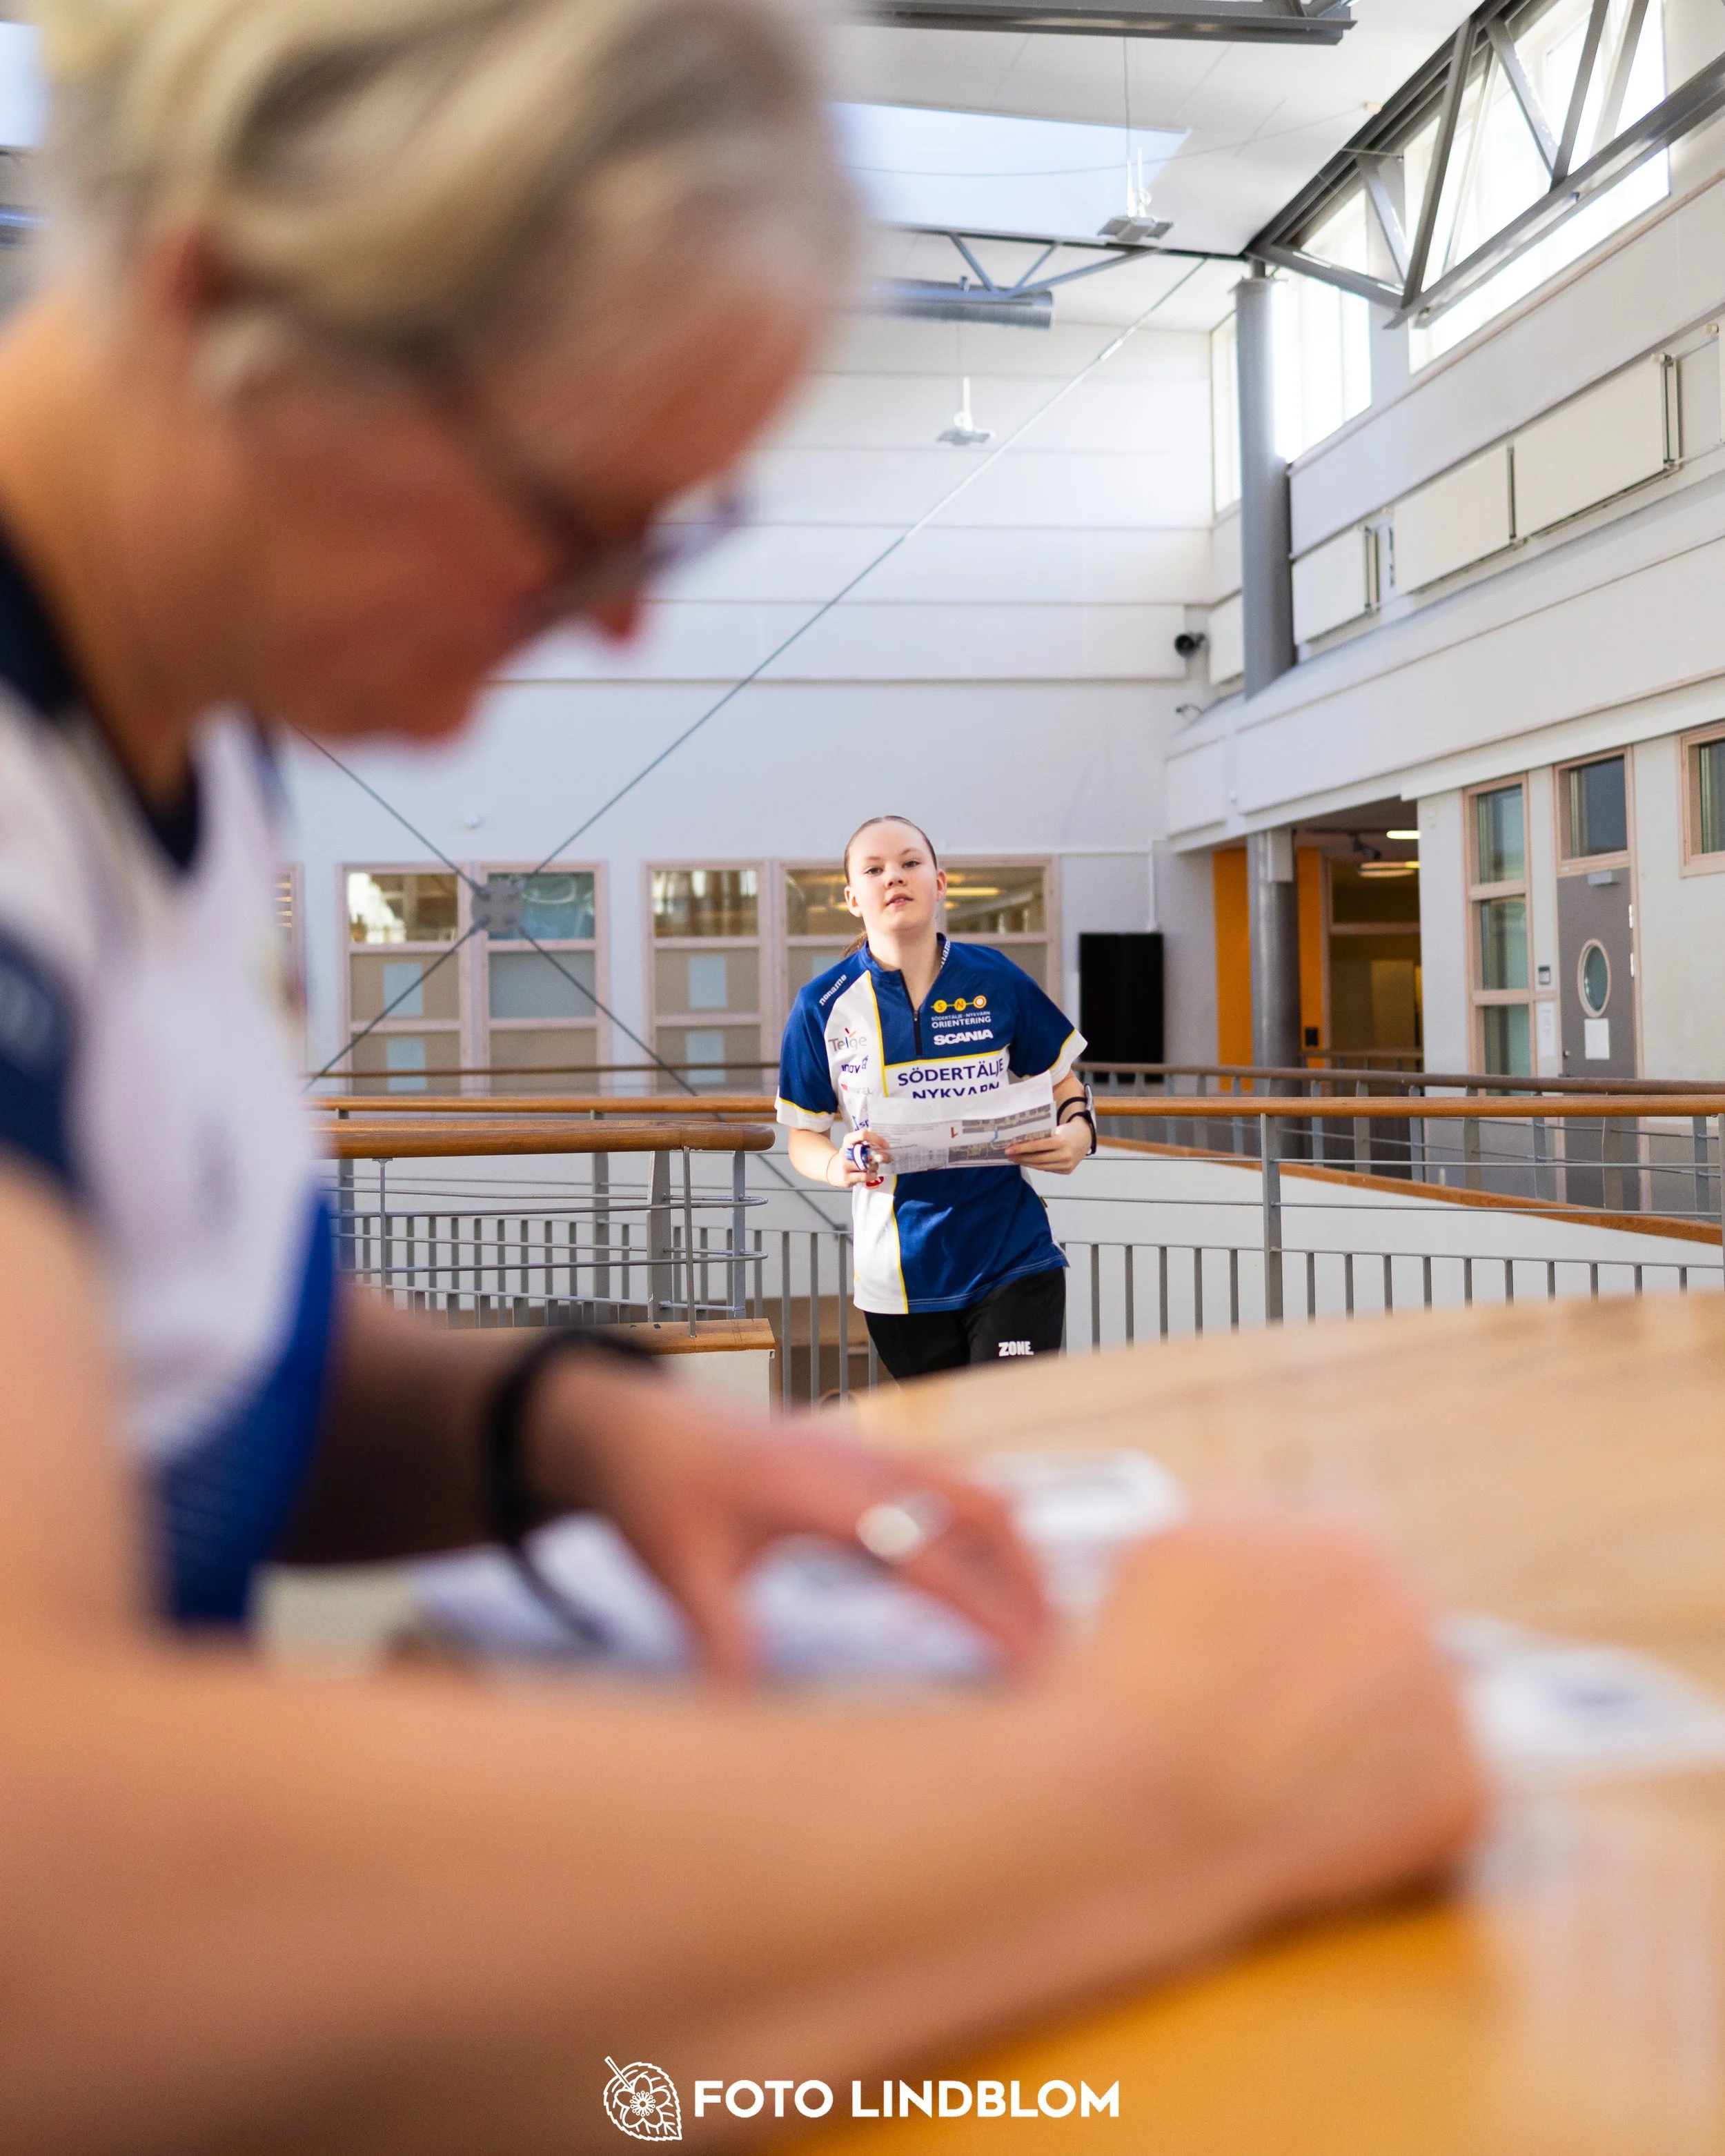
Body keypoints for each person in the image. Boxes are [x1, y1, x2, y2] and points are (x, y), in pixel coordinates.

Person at [0, 0, 1480, 2145]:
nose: (609, 628)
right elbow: (51, 1916)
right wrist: (1150, 1793)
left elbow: (159, 1339)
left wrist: (567, 1426)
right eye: (576, 516)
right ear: (229, 307)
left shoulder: (181, 723)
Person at [780, 815, 1095, 1378]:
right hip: (898, 1281)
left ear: (940, 881)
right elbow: (804, 1136)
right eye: (874, 870)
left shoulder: (996, 978)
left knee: (1009, 1427)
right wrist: (838, 1165)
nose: (893, 877)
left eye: (909, 863)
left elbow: (1063, 1079)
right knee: (949, 1448)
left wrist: (1079, 1133)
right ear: (853, 898)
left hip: (1014, 1256)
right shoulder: (822, 1005)